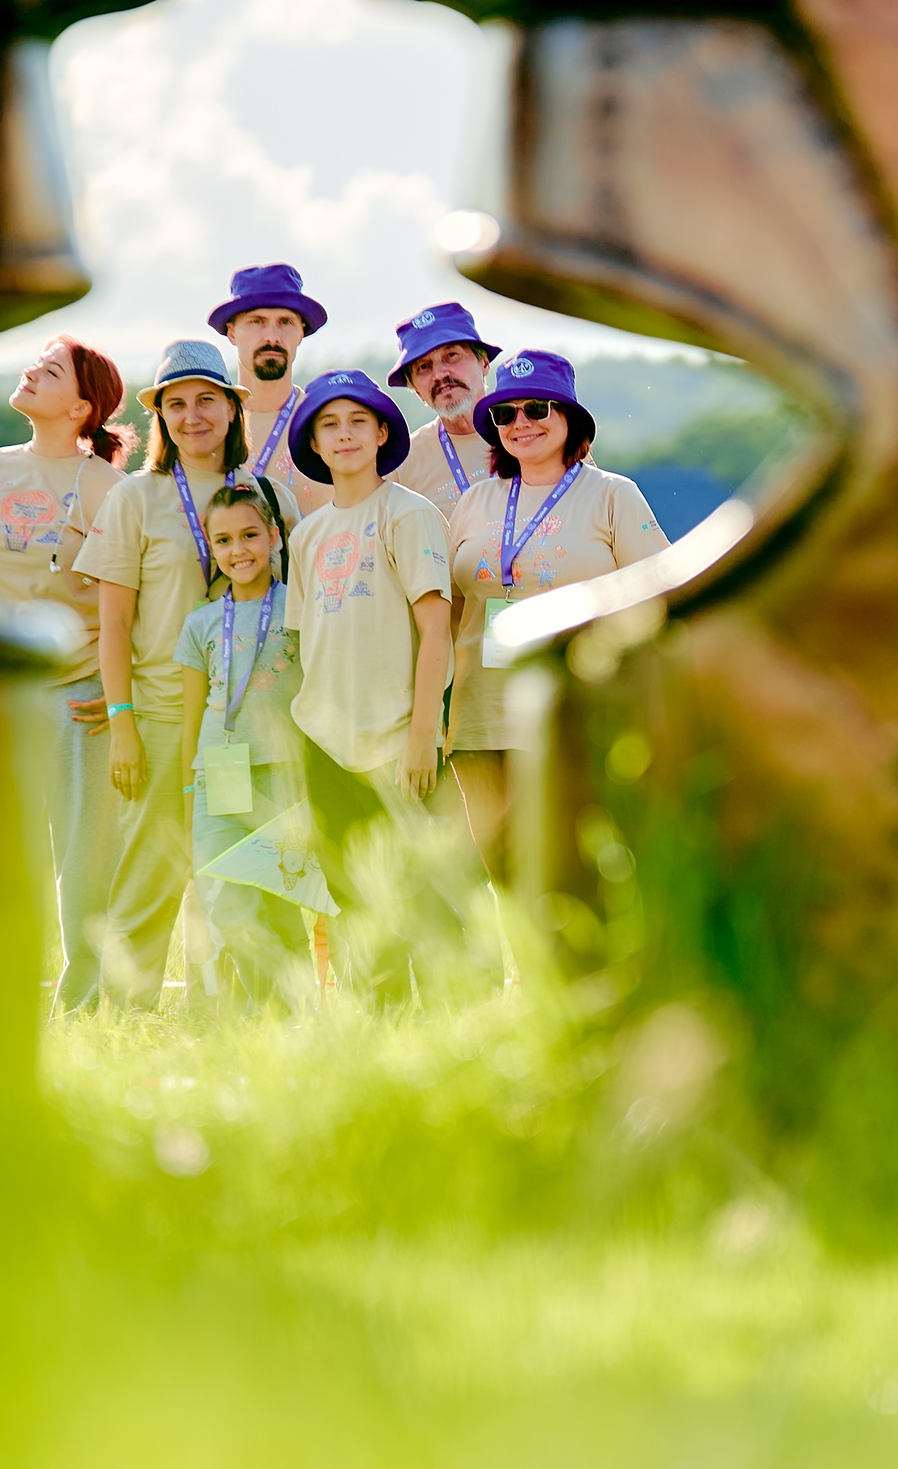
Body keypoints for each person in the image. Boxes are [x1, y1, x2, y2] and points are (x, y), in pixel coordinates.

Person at [68, 338, 300, 1008]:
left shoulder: (271, 497)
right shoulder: (134, 498)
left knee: (245, 876)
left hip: (247, 725)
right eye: (175, 404)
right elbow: (114, 625)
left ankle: (247, 1021)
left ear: (232, 409)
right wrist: (123, 723)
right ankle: (123, 1020)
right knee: (150, 873)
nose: (192, 415)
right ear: (161, 417)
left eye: (206, 400)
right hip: (164, 718)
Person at [0, 336, 132, 1010]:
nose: (31, 372)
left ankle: (85, 1004)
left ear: (80, 407)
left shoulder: (109, 489)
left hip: (76, 694)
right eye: (35, 365)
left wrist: (119, 694)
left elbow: (126, 602)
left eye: (50, 370)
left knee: (82, 859)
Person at [445, 350, 664, 873]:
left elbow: (657, 605)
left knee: (570, 872)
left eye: (537, 409)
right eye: (506, 413)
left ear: (569, 417)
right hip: (480, 722)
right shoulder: (473, 502)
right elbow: (449, 612)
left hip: (577, 719)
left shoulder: (614, 496)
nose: (521, 423)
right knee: (492, 878)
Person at [282, 370, 452, 983]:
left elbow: (437, 630)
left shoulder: (410, 514)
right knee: (348, 892)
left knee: (417, 892)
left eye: (359, 420)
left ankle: (445, 1018)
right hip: (326, 741)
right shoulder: (307, 535)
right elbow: (306, 642)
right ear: (314, 444)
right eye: (329, 424)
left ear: (382, 432)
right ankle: (376, 1016)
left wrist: (423, 735)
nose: (345, 434)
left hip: (397, 739)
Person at [174, 484, 313, 1006]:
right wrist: (189, 790)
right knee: (227, 905)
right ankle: (278, 1006)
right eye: (224, 540)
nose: (239, 550)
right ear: (211, 547)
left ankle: (293, 1019)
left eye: (251, 535)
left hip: (283, 776)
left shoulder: (302, 608)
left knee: (281, 902)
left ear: (275, 536)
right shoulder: (201, 623)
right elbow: (193, 718)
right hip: (217, 776)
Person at [211, 262, 329, 513]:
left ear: (301, 332)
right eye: (256, 321)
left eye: (285, 322)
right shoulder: (205, 424)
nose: (272, 337)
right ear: (231, 332)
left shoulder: (328, 422)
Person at [386, 301, 500, 520]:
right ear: (417, 390)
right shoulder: (402, 465)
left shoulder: (531, 432)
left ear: (484, 363)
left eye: (451, 356)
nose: (439, 374)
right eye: (423, 367)